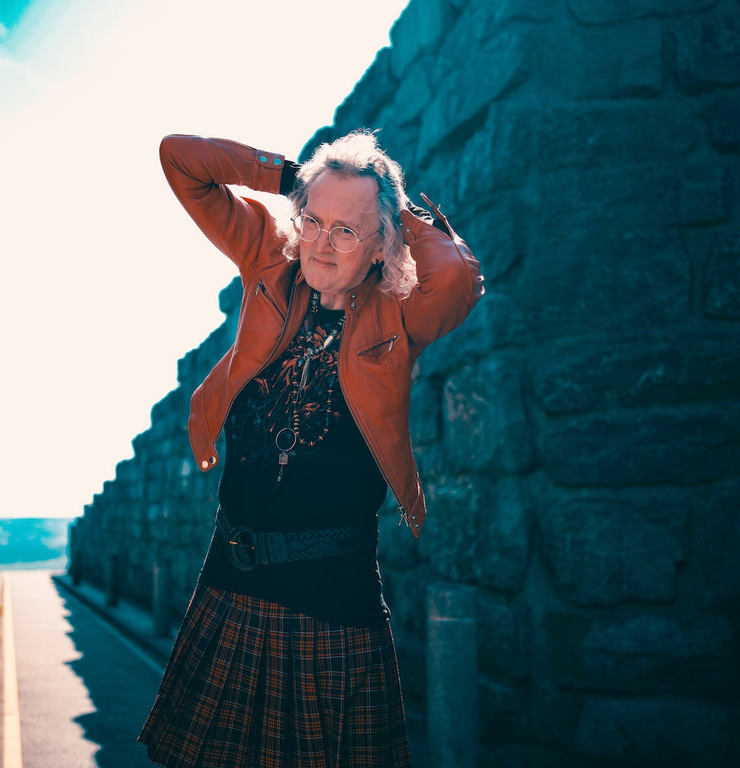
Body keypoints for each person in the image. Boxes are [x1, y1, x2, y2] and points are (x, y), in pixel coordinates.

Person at [138, 131, 483, 768]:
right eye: (313, 221)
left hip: (330, 608)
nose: (321, 244)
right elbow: (179, 159)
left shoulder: (399, 312)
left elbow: (460, 276)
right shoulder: (272, 259)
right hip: (228, 588)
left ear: (383, 244)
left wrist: (388, 203)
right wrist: (293, 177)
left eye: (347, 231)